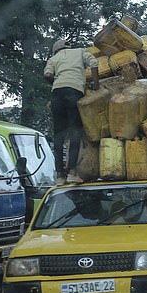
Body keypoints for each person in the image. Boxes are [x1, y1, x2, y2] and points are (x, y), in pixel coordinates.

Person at [44, 39, 99, 185]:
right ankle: (73, 172)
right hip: (74, 92)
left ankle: (60, 176)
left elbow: (48, 75)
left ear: (56, 50)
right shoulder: (80, 51)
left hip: (57, 95)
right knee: (75, 131)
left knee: (58, 135)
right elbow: (94, 63)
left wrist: (57, 82)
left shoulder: (53, 59)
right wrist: (95, 83)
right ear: (67, 46)